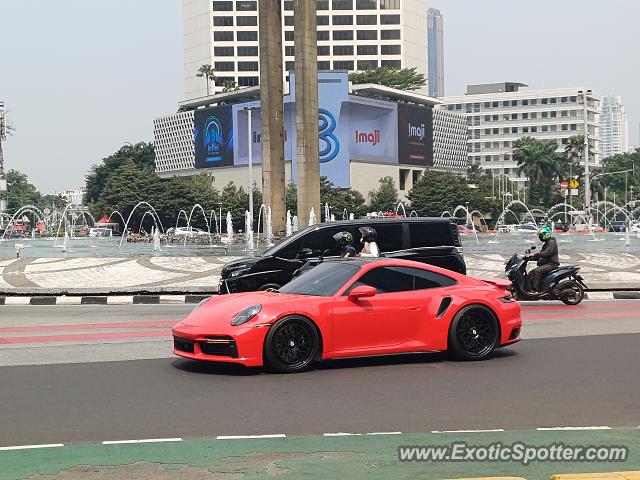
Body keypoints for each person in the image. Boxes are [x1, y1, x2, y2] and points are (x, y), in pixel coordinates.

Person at [527, 226, 559, 292]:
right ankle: (529, 289)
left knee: (537, 271)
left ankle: (535, 290)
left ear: (546, 234)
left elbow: (547, 253)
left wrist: (535, 254)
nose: (539, 237)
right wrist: (528, 258)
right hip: (547, 263)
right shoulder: (546, 243)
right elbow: (541, 255)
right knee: (531, 273)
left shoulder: (551, 242)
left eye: (541, 235)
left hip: (552, 264)